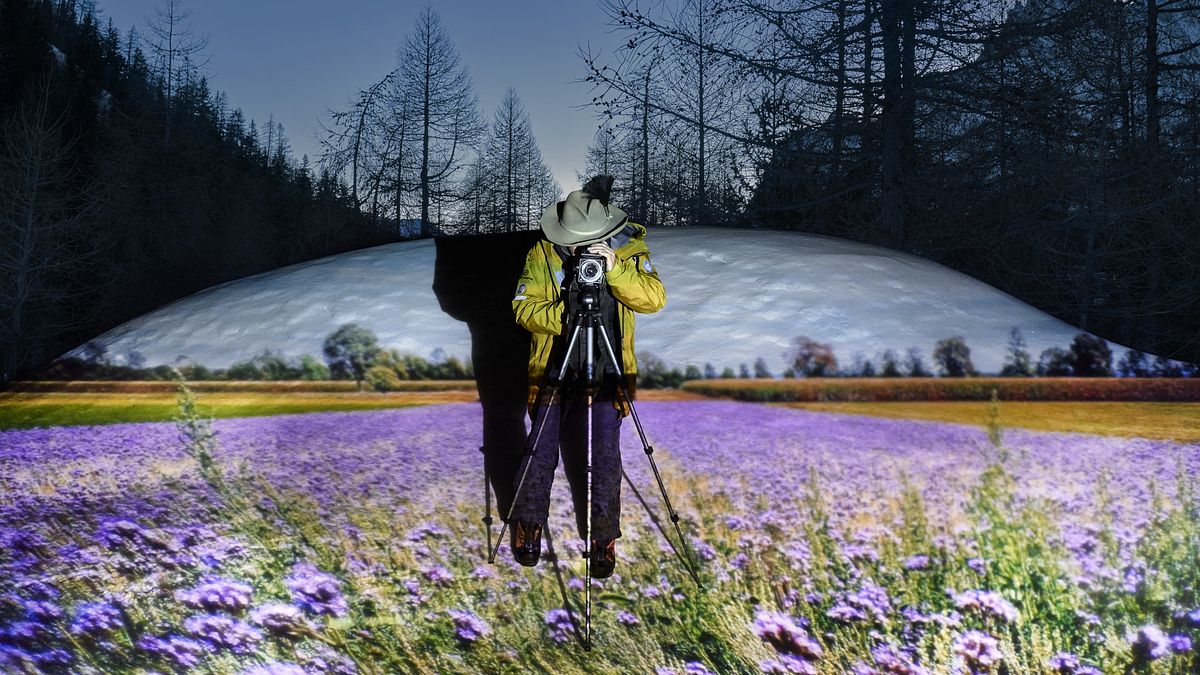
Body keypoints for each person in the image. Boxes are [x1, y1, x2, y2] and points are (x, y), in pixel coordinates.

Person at [508, 175, 665, 578]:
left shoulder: (628, 248)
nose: (581, 250)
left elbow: (653, 299)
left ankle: (603, 537)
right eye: (575, 242)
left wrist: (615, 271)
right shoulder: (542, 254)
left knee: (605, 456)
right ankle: (528, 522)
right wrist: (566, 315)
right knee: (538, 450)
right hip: (554, 367)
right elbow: (523, 310)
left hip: (608, 368)